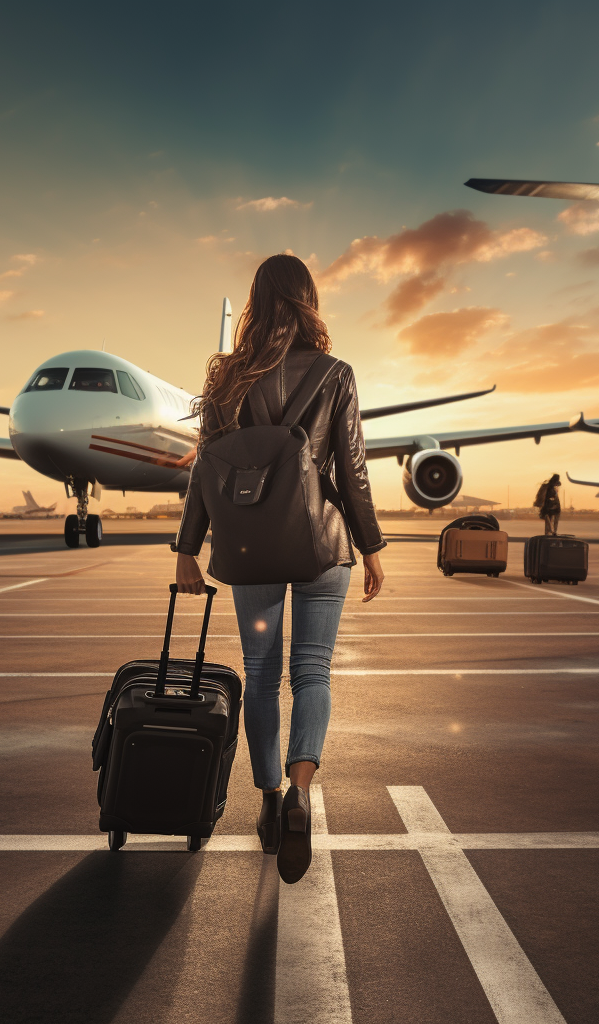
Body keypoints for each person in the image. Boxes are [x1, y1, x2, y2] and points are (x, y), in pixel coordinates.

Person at [174, 254, 386, 884]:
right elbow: (352, 470)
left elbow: (203, 474)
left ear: (256, 302)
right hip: (322, 546)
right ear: (309, 301)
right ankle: (300, 791)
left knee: (261, 676)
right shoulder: (336, 374)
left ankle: (268, 806)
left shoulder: (227, 383)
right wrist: (371, 546)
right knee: (312, 672)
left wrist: (188, 550)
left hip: (250, 550)